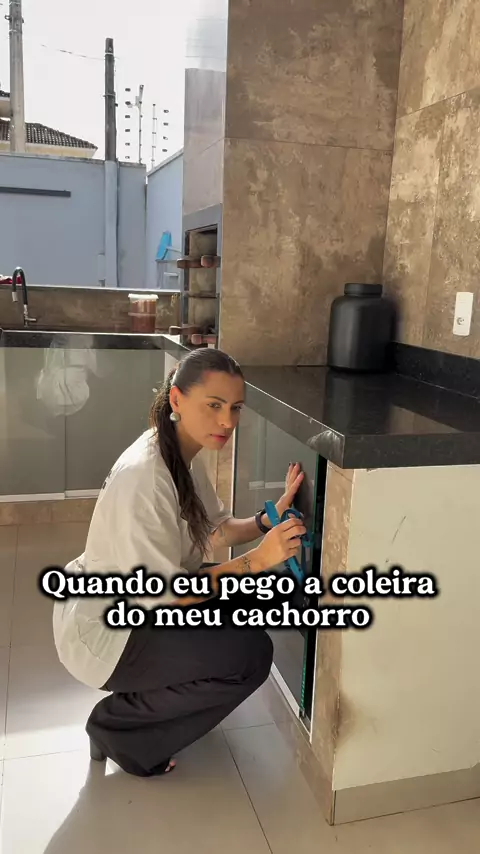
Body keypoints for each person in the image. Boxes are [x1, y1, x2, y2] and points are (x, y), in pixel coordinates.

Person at [52, 347, 305, 778]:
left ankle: (165, 697)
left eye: (235, 408)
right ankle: (117, 728)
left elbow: (212, 530)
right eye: (214, 405)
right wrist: (257, 560)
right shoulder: (145, 478)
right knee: (250, 656)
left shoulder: (177, 452)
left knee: (272, 596)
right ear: (176, 400)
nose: (227, 421)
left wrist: (265, 521)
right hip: (110, 635)